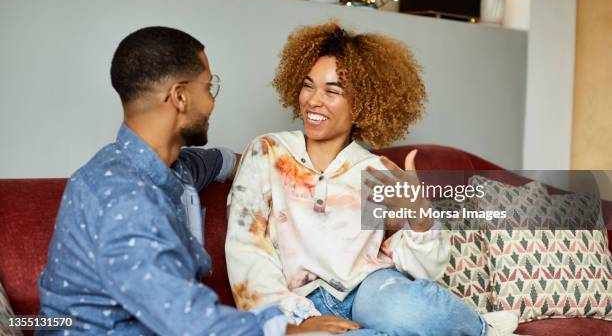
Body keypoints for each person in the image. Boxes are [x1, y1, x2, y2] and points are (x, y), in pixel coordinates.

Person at [225, 23, 521, 336]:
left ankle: (479, 328)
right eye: (308, 86)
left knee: (412, 310)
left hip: (371, 289)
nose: (313, 100)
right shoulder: (269, 151)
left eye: (332, 91)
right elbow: (247, 252)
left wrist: (419, 216)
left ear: (362, 104)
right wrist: (297, 319)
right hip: (297, 299)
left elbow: (422, 272)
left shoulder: (376, 172)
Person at [38, 27, 286, 335]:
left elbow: (223, 161)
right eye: (210, 88)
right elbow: (188, 322)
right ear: (180, 96)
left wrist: (280, 161)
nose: (212, 101)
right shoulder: (123, 197)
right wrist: (286, 329)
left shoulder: (171, 168)